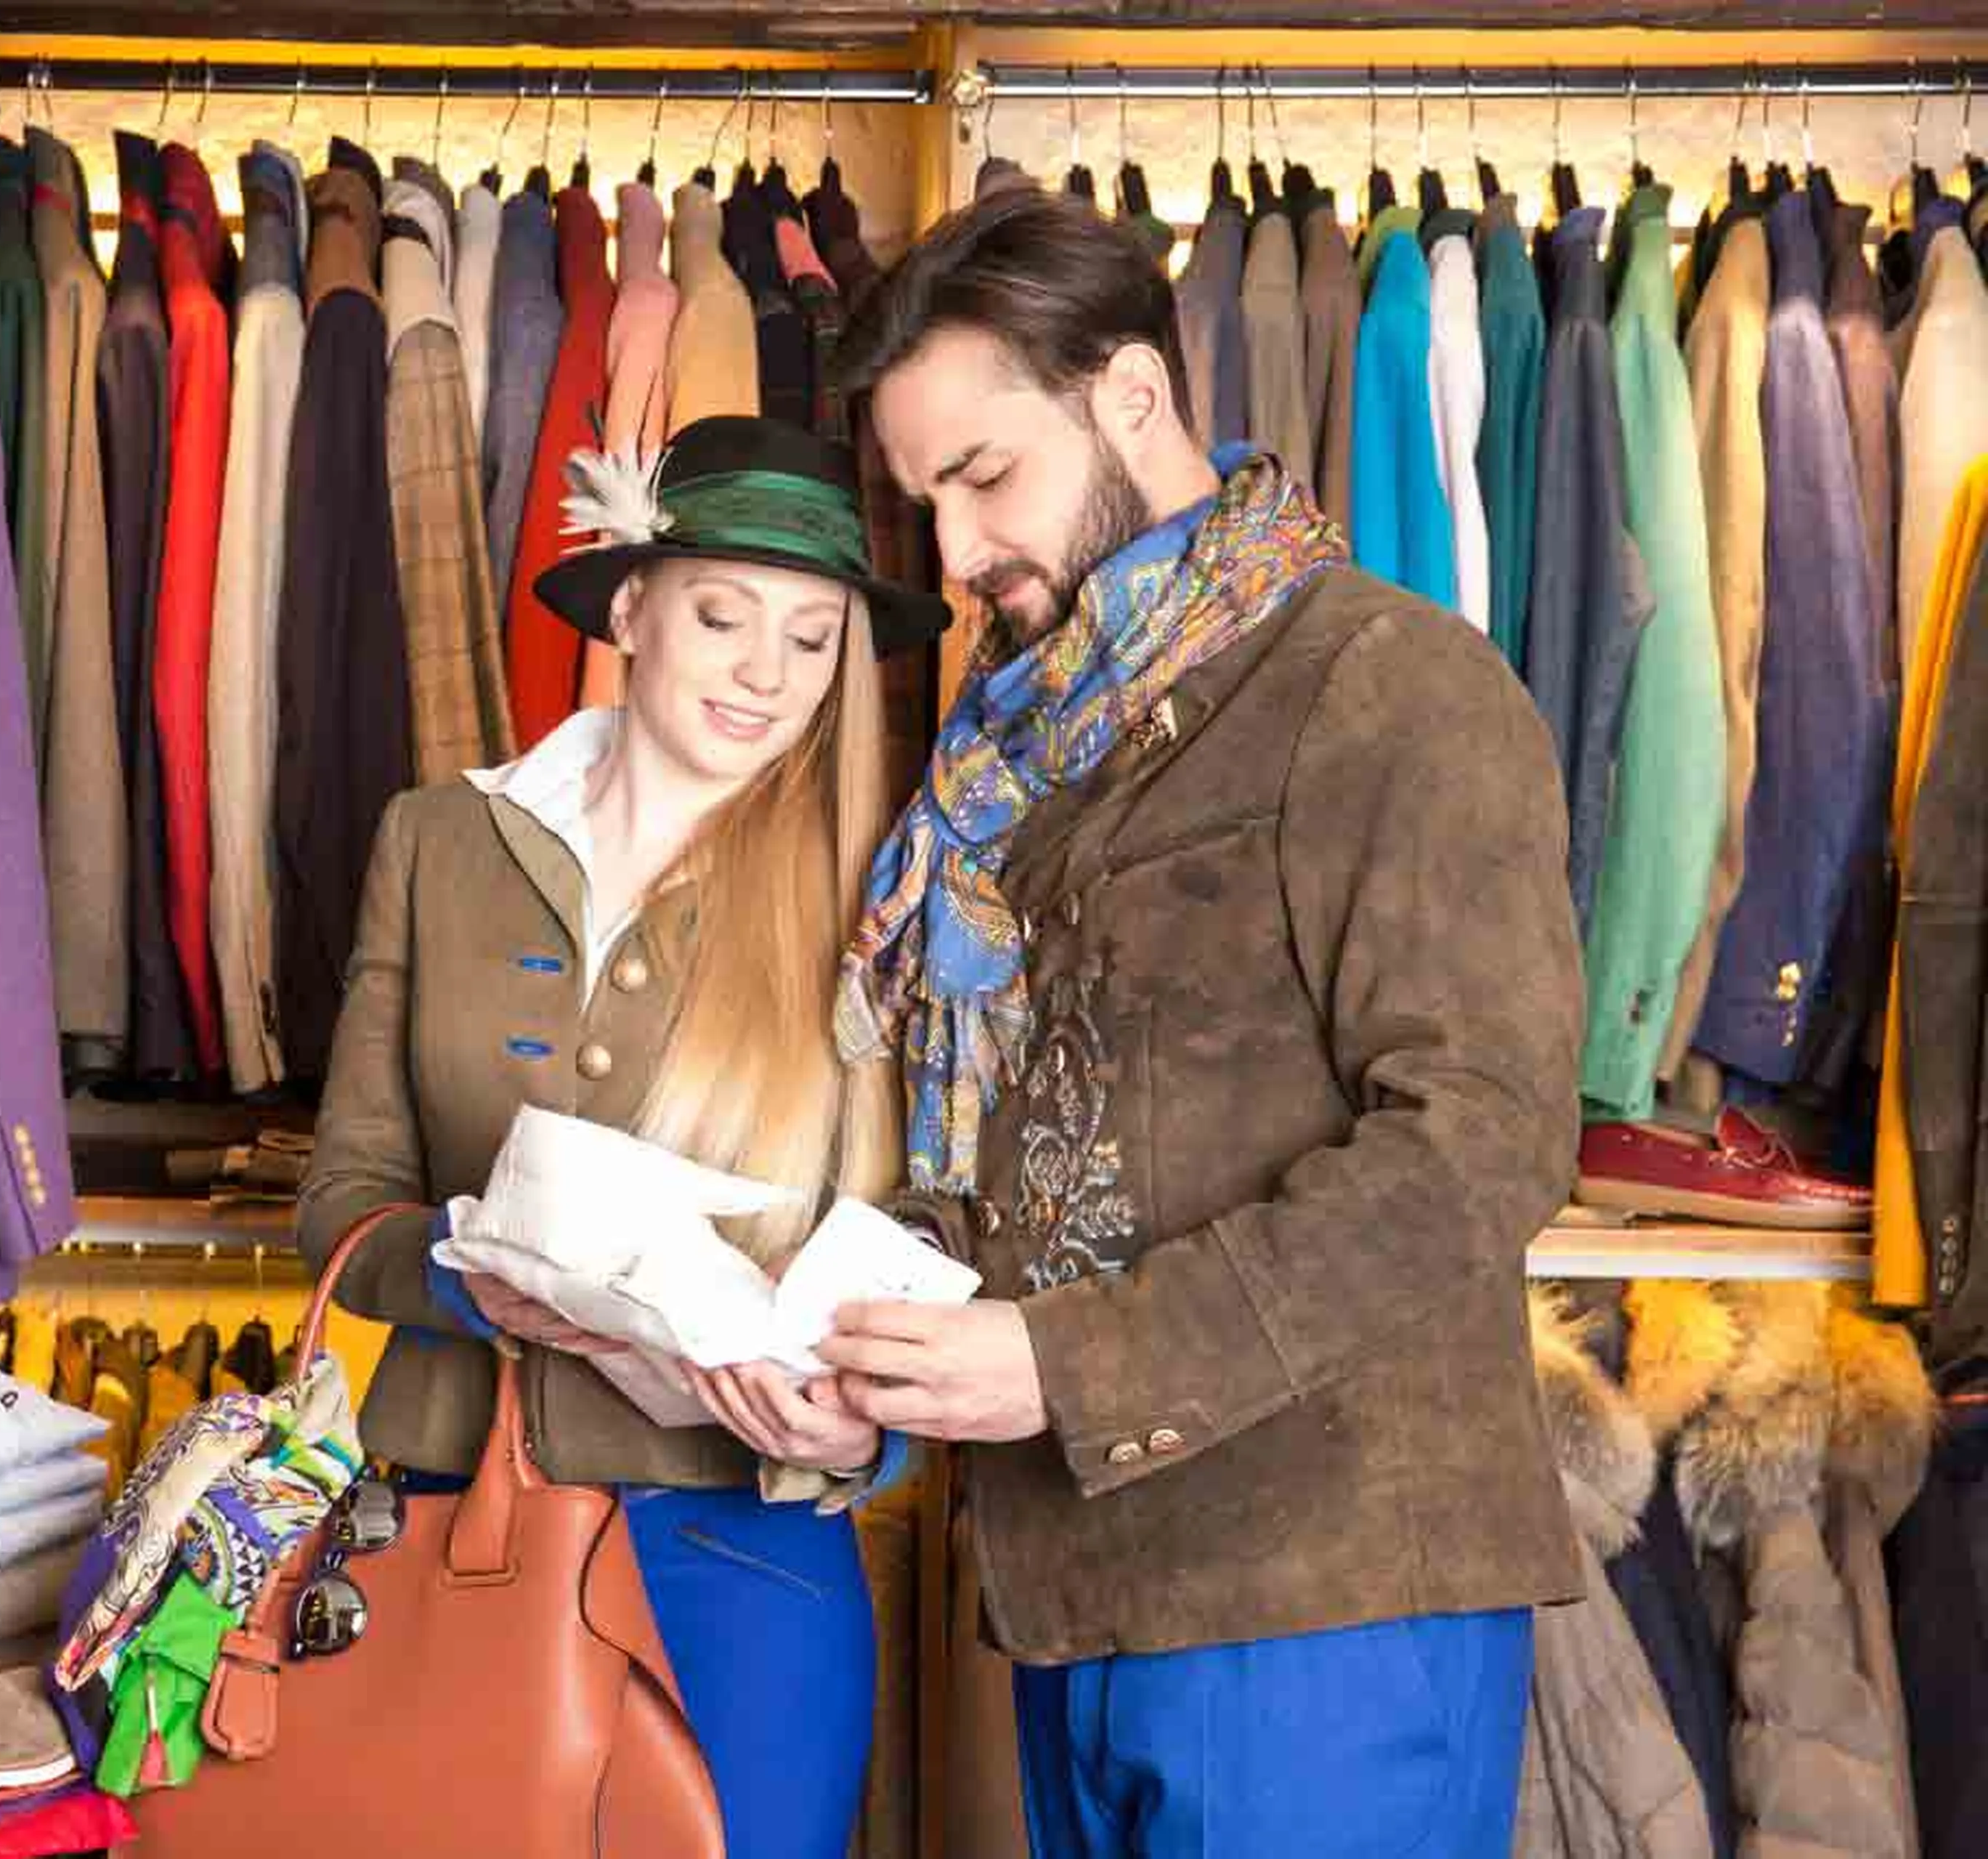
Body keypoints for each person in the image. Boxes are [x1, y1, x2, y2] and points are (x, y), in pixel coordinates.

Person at [819, 186, 1586, 1858]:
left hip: (1327, 1605)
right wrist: (863, 1371)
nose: (953, 558)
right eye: (923, 503)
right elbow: (1033, 1139)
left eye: (983, 477)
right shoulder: (1019, 750)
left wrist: (1063, 1361)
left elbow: (1482, 1146)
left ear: (1135, 397)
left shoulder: (1391, 687)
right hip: (1080, 1600)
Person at [298, 414, 950, 1859]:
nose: (765, 676)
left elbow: (920, 1236)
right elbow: (340, 1203)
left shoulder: (876, 895)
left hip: (745, 1564)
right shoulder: (437, 843)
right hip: (447, 1528)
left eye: (812, 639)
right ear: (637, 607)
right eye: (725, 617)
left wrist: (861, 1426)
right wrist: (475, 1282)